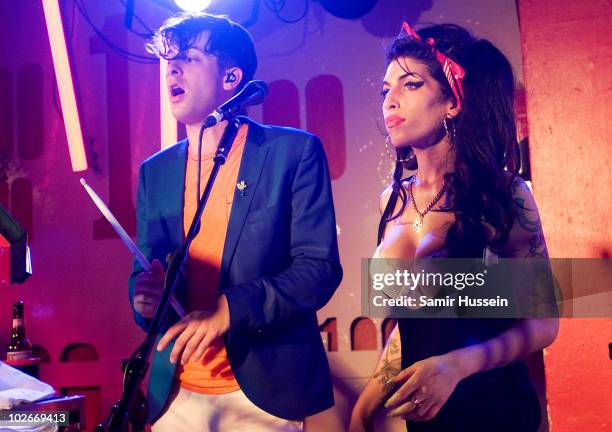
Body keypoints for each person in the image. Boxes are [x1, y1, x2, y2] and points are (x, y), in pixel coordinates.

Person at [128, 12, 342, 431]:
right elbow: (144, 269)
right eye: (169, 60)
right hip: (174, 394)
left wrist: (230, 308)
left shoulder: (293, 153)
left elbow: (318, 269)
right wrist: (142, 299)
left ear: (231, 79)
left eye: (188, 57)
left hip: (262, 399)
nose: (172, 68)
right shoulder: (155, 173)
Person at [349, 23, 558, 432]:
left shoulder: (504, 195)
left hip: (496, 412)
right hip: (430, 421)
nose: (389, 100)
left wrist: (457, 365)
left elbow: (543, 324)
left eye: (409, 85)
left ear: (453, 103)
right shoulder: (391, 200)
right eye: (384, 90)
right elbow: (414, 323)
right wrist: (363, 409)